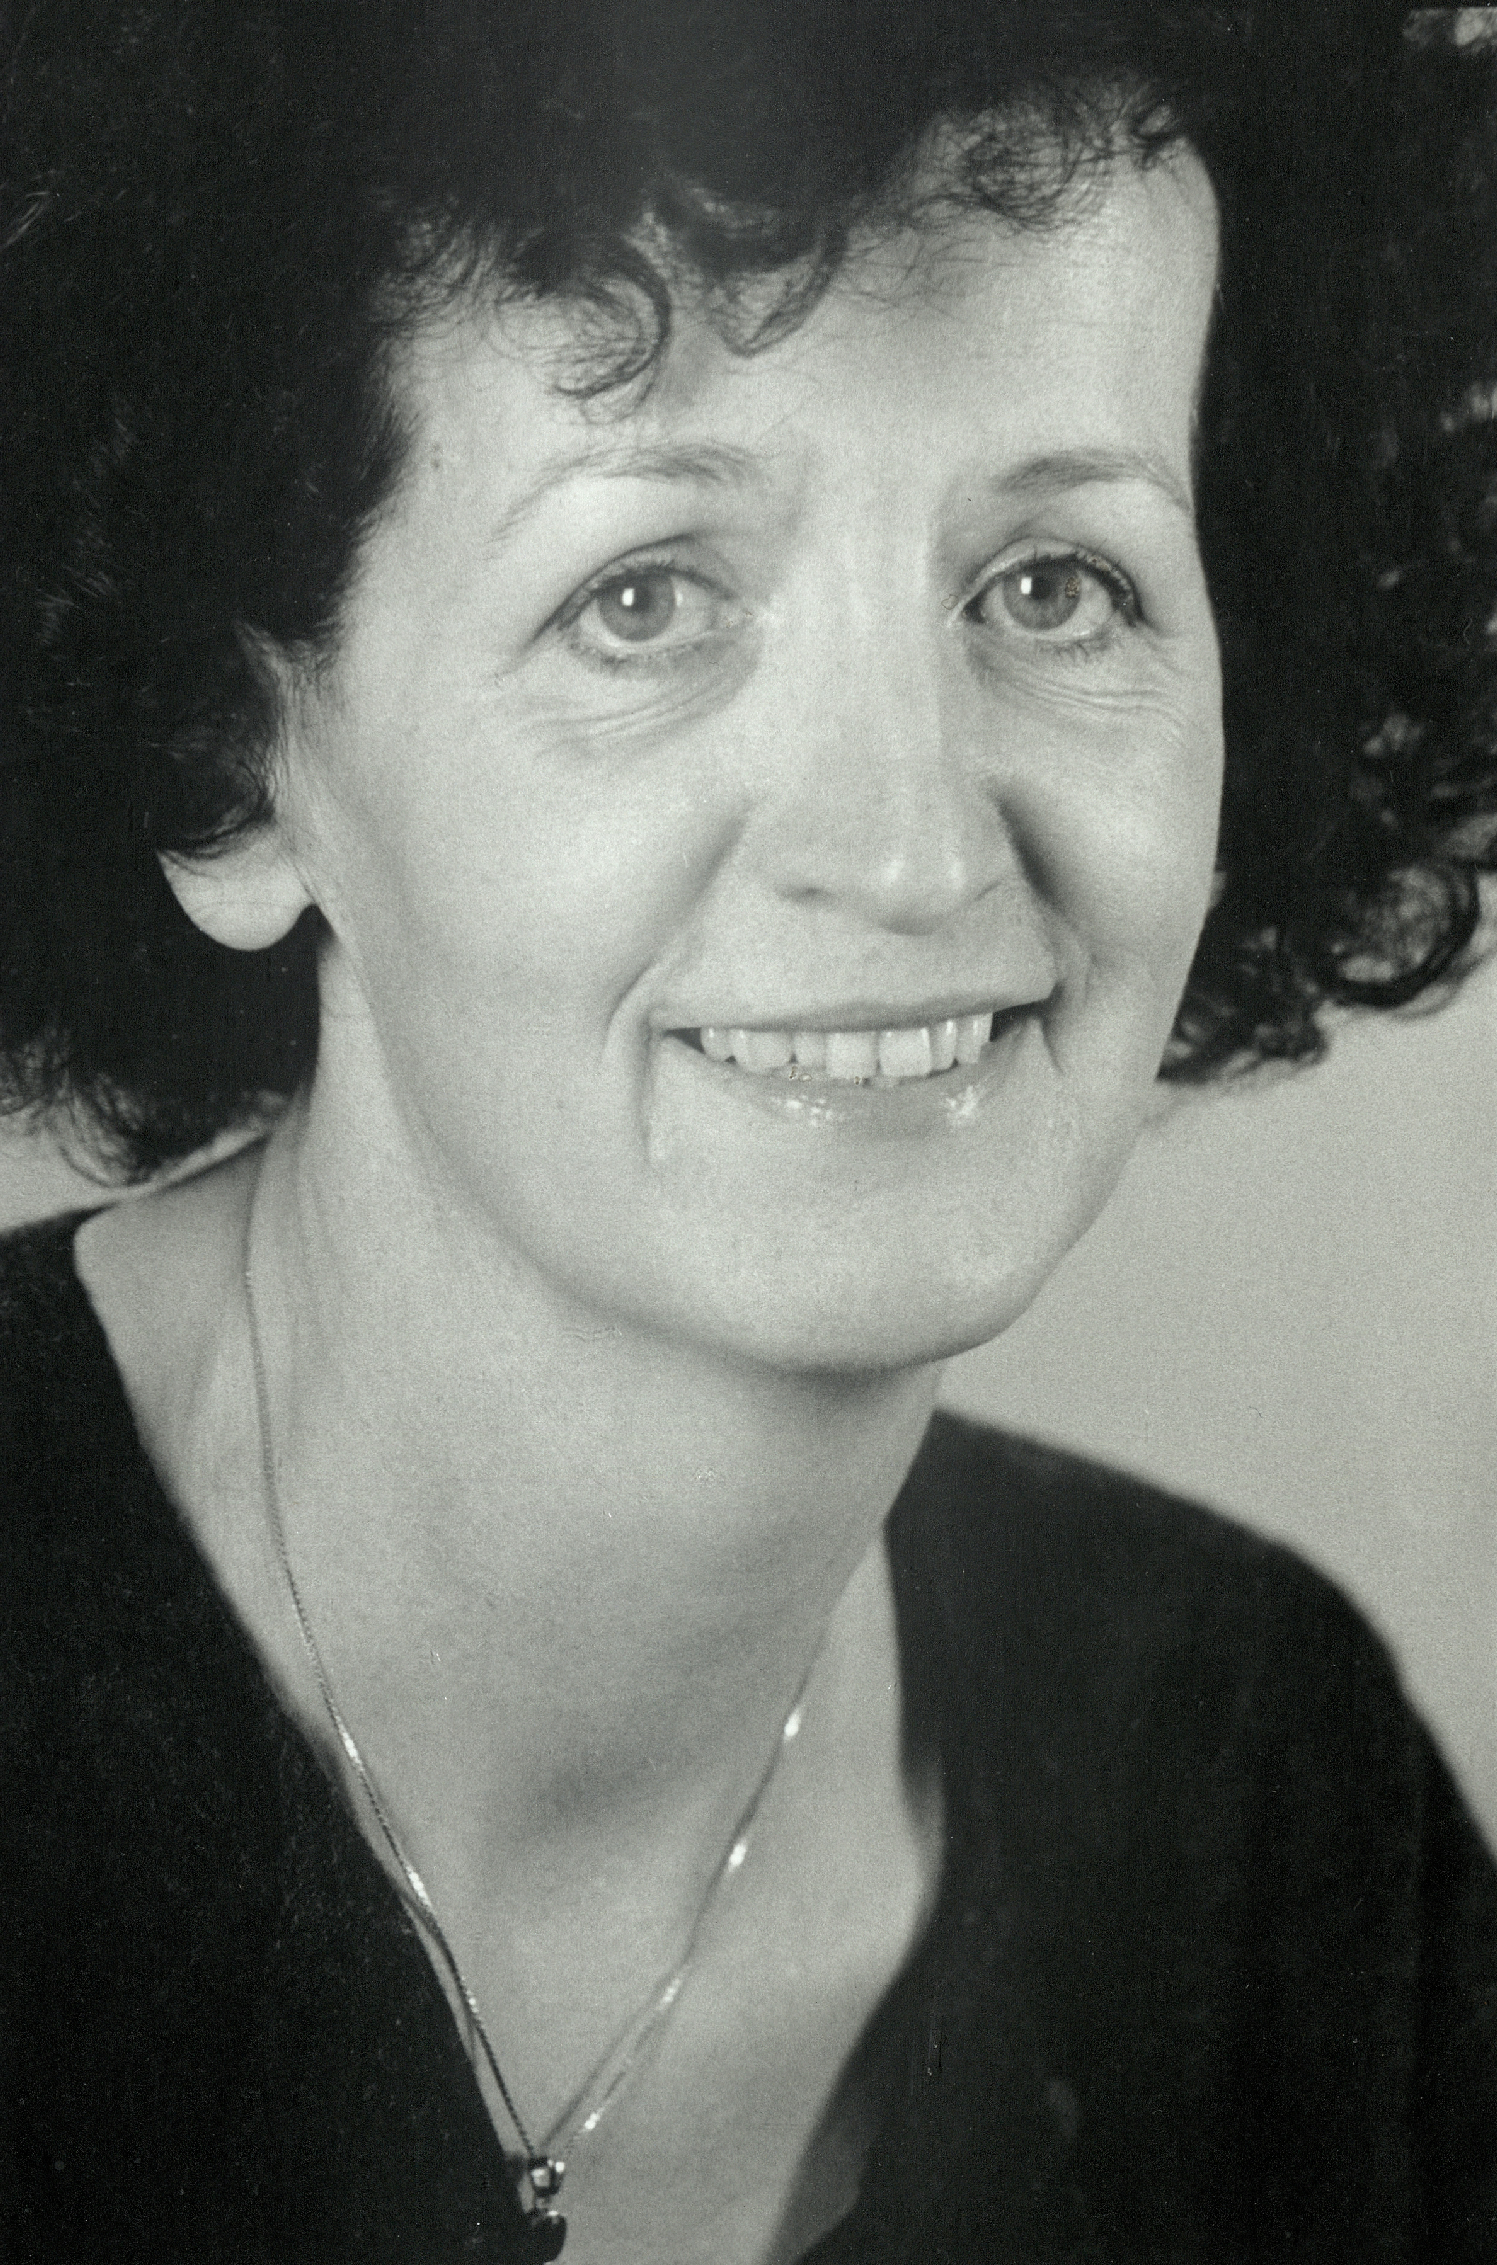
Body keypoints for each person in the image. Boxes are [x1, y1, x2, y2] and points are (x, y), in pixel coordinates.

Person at [3, 3, 1495, 2259]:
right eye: (645, 601)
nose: (908, 852)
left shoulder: (1273, 1806)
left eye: (1054, 585)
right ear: (233, 769)